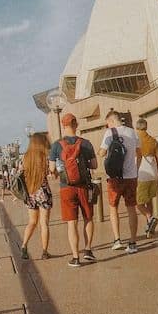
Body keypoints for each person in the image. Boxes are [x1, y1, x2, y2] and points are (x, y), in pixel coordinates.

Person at [49, 113, 97, 268]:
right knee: (88, 217)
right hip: (84, 185)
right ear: (76, 124)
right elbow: (95, 165)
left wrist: (60, 171)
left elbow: (51, 169)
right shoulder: (86, 143)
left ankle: (75, 257)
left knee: (72, 222)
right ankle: (88, 250)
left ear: (63, 126)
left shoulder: (57, 145)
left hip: (66, 187)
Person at [99, 110, 141, 254]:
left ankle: (117, 240)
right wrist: (136, 169)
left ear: (111, 121)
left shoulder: (110, 133)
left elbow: (102, 153)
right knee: (131, 208)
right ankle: (133, 242)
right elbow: (139, 154)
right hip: (131, 177)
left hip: (115, 178)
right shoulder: (132, 132)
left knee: (113, 207)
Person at [18, 133, 53, 260]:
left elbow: (21, 173)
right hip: (43, 192)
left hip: (30, 193)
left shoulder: (25, 157)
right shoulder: (44, 157)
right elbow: (52, 172)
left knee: (32, 222)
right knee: (44, 223)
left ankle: (24, 245)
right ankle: (44, 252)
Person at [134, 118, 158, 237]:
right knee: (149, 200)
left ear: (137, 127)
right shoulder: (153, 141)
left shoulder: (135, 140)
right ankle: (149, 228)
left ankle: (150, 219)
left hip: (141, 174)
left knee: (138, 203)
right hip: (153, 174)